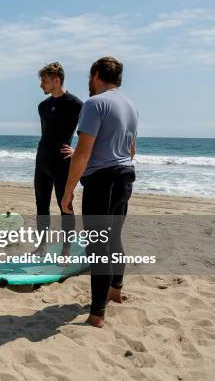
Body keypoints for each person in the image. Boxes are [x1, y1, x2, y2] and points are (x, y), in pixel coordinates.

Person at [61, 56, 138, 328]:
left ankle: (97, 315)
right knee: (114, 237)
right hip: (125, 176)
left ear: (95, 75)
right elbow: (131, 150)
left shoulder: (94, 103)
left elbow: (83, 153)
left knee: (98, 246)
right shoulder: (130, 106)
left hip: (102, 182)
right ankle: (115, 290)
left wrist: (68, 192)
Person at [34, 62, 82, 256]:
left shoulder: (75, 104)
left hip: (62, 163)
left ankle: (66, 248)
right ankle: (42, 246)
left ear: (57, 80)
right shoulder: (42, 106)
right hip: (42, 161)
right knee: (41, 205)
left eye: (44, 81)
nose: (41, 85)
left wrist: (77, 150)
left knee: (65, 206)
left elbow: (92, 131)